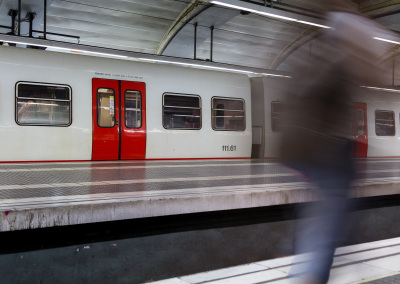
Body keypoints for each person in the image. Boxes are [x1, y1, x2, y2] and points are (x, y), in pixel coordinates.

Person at [280, 1, 392, 283]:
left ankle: (310, 269)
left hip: (302, 149)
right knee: (330, 220)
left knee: (322, 217)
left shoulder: (318, 44)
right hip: (331, 150)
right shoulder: (348, 32)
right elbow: (374, 75)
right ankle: (312, 275)